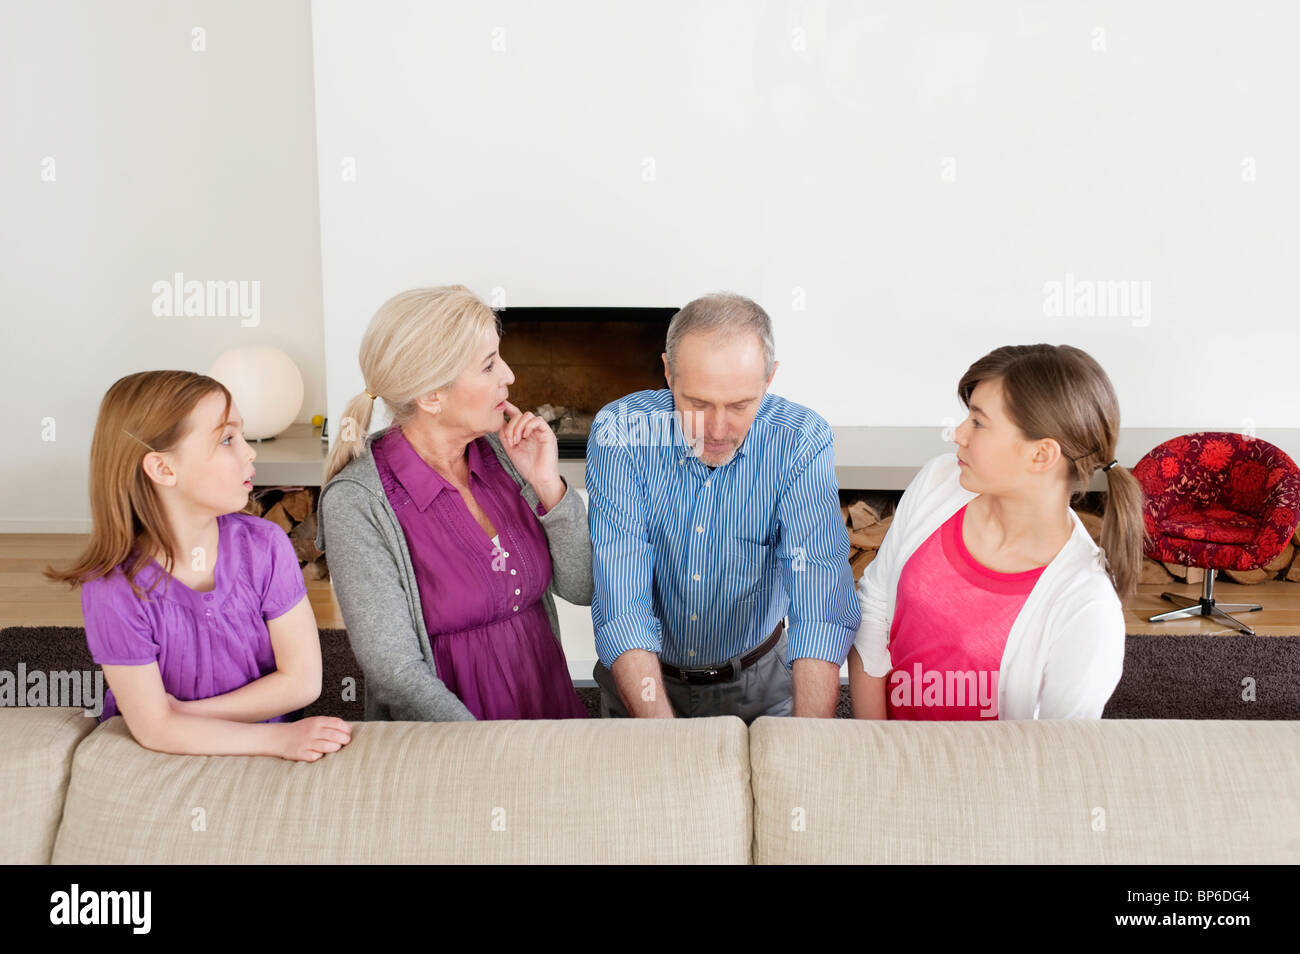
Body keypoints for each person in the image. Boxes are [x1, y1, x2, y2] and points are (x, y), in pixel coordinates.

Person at [46, 370, 351, 761]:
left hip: (219, 735)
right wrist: (279, 741)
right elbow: (154, 730)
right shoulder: (112, 587)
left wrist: (187, 714)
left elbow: (303, 682)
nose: (248, 452)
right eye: (227, 439)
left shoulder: (266, 545)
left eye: (241, 436)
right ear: (163, 469)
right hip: (165, 754)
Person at [318, 285, 591, 721]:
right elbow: (395, 671)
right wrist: (482, 749)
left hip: (547, 711)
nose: (509, 376)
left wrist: (547, 485)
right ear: (431, 396)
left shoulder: (503, 453)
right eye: (488, 365)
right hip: (452, 741)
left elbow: (582, 587)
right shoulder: (359, 502)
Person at [587, 292, 860, 721]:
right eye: (696, 404)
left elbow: (819, 605)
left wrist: (810, 742)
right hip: (645, 679)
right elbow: (622, 601)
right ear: (667, 373)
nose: (716, 430)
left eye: (739, 405)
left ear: (769, 379)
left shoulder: (801, 440)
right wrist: (664, 736)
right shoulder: (621, 433)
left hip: (760, 682)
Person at [848, 344, 1145, 721]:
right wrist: (876, 750)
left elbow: (1057, 758)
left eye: (978, 422)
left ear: (1041, 455)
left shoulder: (1088, 607)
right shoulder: (940, 480)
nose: (957, 434)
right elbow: (874, 611)